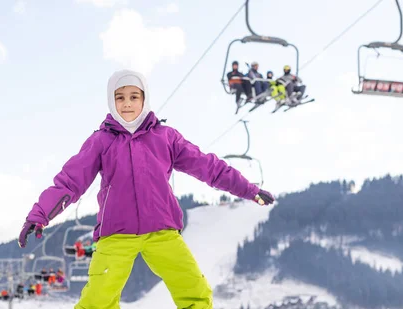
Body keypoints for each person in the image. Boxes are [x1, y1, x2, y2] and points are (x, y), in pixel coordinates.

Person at [17, 69, 275, 309]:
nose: (127, 103)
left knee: (194, 289)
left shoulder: (165, 137)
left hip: (163, 231)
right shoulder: (101, 141)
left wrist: (249, 190)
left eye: (133, 96)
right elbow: (69, 181)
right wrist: (39, 215)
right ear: (111, 101)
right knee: (98, 298)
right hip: (116, 234)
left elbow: (210, 167)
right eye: (120, 97)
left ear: (145, 99)